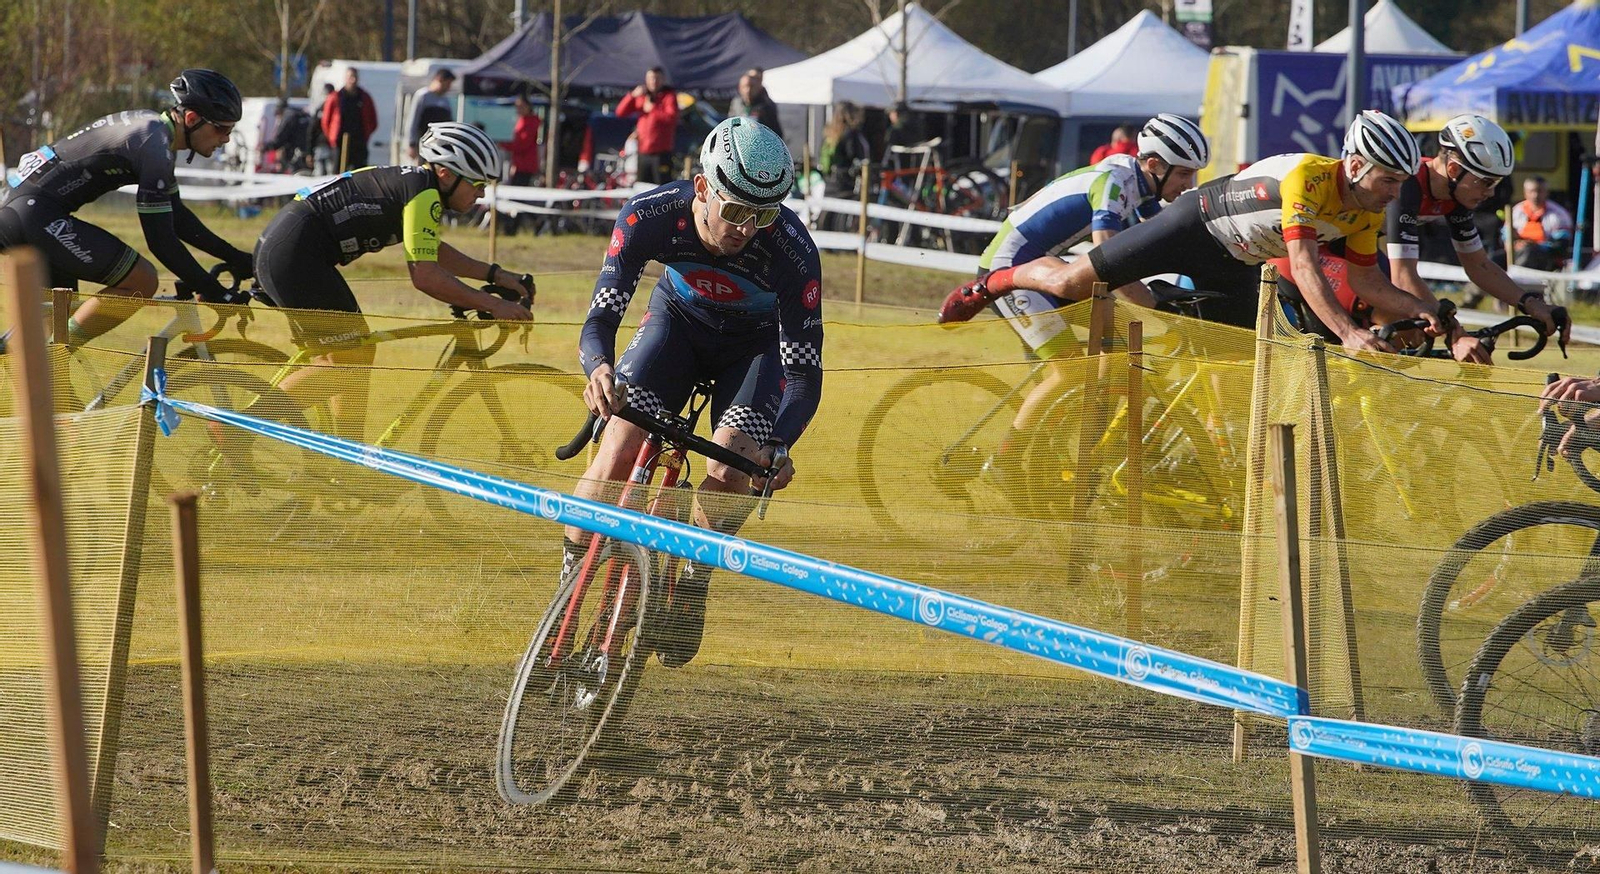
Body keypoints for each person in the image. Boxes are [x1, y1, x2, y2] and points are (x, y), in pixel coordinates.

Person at [571, 117, 821, 668]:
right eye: (734, 211)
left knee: (732, 466)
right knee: (618, 444)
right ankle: (571, 581)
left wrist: (777, 447)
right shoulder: (650, 214)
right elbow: (601, 318)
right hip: (675, 326)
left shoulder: (792, 251)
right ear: (703, 188)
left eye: (763, 216)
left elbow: (803, 375)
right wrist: (599, 369)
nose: (745, 229)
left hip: (753, 349)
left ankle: (692, 575)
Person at [939, 110, 1447, 354]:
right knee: (1074, 283)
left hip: (1235, 261)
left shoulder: (1367, 212)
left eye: (1401, 182)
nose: (1394, 192)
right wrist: (1348, 332)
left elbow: (1366, 284)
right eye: (1388, 180)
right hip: (1192, 227)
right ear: (1355, 165)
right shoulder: (1307, 180)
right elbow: (1308, 266)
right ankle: (993, 284)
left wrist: (1418, 308)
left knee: (1235, 363)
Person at [933, 116, 1210, 483]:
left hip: (1046, 270)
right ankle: (1006, 461)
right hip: (1010, 274)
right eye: (1184, 175)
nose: (1189, 185)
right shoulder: (1114, 183)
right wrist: (1159, 305)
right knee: (1071, 371)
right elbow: (1110, 259)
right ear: (1155, 165)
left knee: (1123, 344)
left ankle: (1088, 442)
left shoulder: (1141, 188)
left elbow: (1162, 246)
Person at [253, 122, 535, 439]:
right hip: (295, 257)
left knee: (350, 357)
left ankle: (344, 460)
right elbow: (425, 276)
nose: (482, 193)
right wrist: (492, 304)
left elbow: (431, 249)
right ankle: (243, 426)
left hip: (289, 251)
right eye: (477, 183)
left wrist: (494, 274)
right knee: (353, 358)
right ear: (447, 174)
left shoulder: (417, 186)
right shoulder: (423, 193)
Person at [1275, 115, 1567, 361]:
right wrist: (1457, 334)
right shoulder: (1408, 184)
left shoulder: (1455, 196)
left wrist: (1531, 303)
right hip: (1315, 256)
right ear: (1453, 170)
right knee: (1403, 328)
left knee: (1412, 337)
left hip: (1353, 257)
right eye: (1486, 182)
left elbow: (1479, 266)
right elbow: (1403, 276)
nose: (1491, 193)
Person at [0, 69, 253, 345]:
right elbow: (161, 241)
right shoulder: (153, 145)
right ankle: (52, 357)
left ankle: (49, 363)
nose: (226, 138)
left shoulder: (153, 132)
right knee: (142, 281)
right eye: (222, 128)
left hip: (24, 211)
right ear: (192, 119)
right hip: (33, 215)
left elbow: (178, 219)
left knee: (54, 348)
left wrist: (237, 258)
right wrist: (214, 290)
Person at [616, 66, 679, 185]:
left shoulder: (668, 96)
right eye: (651, 78)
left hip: (661, 153)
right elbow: (620, 112)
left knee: (662, 187)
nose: (653, 82)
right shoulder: (642, 96)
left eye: (657, 78)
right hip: (643, 152)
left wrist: (653, 110)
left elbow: (672, 118)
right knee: (642, 187)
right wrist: (632, 96)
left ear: (662, 80)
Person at [1511, 175, 1575, 271]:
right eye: (1531, 191)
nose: (1535, 195)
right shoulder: (1516, 211)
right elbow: (1506, 235)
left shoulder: (1559, 214)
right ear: (1525, 193)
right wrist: (1515, 243)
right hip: (1517, 253)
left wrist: (1535, 246)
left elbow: (1560, 245)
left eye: (1539, 191)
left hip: (1546, 257)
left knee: (1529, 252)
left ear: (1546, 193)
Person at [321, 68, 378, 171]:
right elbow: (326, 121)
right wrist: (332, 138)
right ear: (345, 78)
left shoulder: (364, 97)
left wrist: (366, 134)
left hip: (359, 142)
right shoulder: (335, 97)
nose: (352, 80)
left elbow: (373, 120)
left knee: (360, 173)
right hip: (340, 143)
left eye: (354, 77)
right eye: (350, 77)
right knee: (338, 174)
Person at [819, 101, 870, 196]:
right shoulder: (850, 133)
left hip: (829, 181)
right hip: (845, 182)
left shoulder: (829, 132)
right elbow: (854, 155)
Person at [406, 69, 457, 164]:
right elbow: (413, 120)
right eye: (448, 84)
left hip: (440, 147)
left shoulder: (446, 100)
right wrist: (411, 144)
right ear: (440, 80)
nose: (449, 88)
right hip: (423, 145)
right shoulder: (423, 96)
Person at [728, 67, 783, 140]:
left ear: (759, 87)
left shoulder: (767, 105)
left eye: (752, 86)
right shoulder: (736, 103)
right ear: (740, 88)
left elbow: (776, 133)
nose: (748, 90)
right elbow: (729, 124)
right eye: (745, 86)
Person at [265, 98, 312, 173]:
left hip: (297, 153)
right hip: (307, 151)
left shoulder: (288, 116)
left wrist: (267, 146)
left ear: (279, 110)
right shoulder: (299, 113)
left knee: (296, 174)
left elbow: (280, 138)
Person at [311, 83, 336, 175]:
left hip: (328, 143)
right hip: (323, 143)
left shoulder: (335, 108)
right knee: (325, 170)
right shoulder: (322, 109)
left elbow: (312, 129)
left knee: (327, 171)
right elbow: (313, 129)